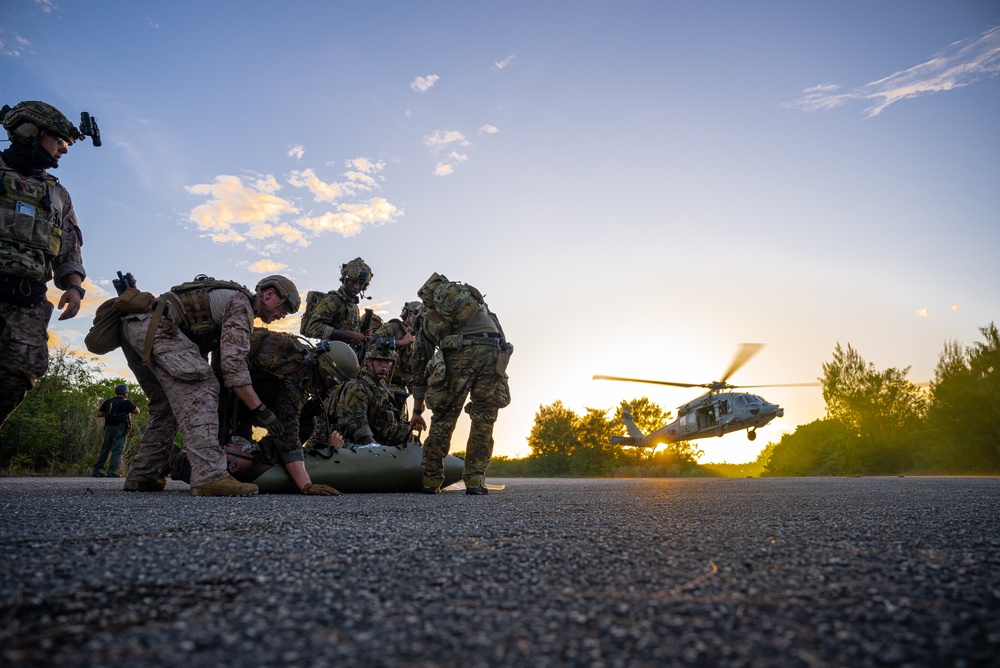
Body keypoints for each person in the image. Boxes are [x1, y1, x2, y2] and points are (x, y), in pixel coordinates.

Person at [120, 274, 298, 496]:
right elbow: (233, 367)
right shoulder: (241, 306)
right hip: (156, 329)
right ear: (270, 294)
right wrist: (259, 409)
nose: (282, 315)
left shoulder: (234, 304)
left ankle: (143, 475)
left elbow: (221, 364)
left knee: (165, 405)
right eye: (285, 308)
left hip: (137, 328)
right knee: (202, 386)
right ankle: (210, 476)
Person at [0, 101, 92, 427]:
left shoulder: (57, 194)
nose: (63, 150)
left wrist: (74, 286)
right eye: (59, 141)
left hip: (26, 303)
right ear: (29, 133)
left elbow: (69, 245)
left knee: (17, 378)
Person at [217, 331, 358, 494]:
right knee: (234, 464)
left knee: (307, 422)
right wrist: (306, 485)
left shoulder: (306, 362)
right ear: (326, 372)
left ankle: (268, 456)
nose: (334, 386)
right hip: (231, 403)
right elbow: (288, 436)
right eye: (335, 381)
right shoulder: (292, 382)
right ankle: (181, 462)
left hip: (257, 406)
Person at [410, 275, 512, 495]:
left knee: (444, 417)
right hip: (492, 352)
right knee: (484, 419)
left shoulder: (428, 316)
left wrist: (417, 408)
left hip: (460, 354)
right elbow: (501, 334)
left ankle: (431, 480)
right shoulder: (476, 302)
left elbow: (420, 362)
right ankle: (475, 481)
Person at [318, 336, 413, 448]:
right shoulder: (359, 387)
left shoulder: (384, 388)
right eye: (379, 360)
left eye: (388, 362)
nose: (384, 365)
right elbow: (357, 424)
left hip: (375, 444)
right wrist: (374, 446)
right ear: (368, 361)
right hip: (349, 445)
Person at [299, 257, 374, 350]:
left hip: (347, 357)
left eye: (360, 284)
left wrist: (362, 335)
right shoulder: (333, 300)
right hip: (331, 357)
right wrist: (348, 335)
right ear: (345, 280)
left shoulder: (353, 306)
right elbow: (312, 328)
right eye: (353, 282)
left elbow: (349, 330)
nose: (356, 287)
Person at [92, 383, 140, 478]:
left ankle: (97, 470)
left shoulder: (108, 402)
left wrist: (110, 414)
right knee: (117, 450)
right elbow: (137, 411)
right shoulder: (126, 402)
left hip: (109, 428)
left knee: (105, 449)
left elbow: (99, 414)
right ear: (125, 393)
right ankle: (112, 471)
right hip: (120, 428)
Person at [374, 301, 420, 393]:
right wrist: (401, 342)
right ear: (408, 315)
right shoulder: (394, 327)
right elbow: (372, 342)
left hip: (402, 389)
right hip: (385, 385)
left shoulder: (417, 337)